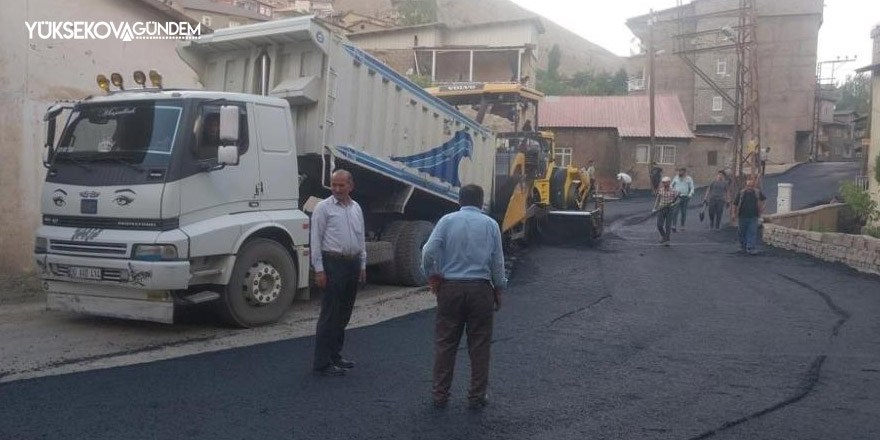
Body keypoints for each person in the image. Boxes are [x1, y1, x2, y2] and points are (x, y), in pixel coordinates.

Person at [422, 184, 506, 410]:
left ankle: (440, 395)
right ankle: (476, 396)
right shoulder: (491, 225)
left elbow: (428, 251)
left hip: (450, 288)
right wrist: (498, 289)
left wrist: (431, 275)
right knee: (479, 345)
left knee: (445, 343)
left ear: (460, 200)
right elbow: (497, 261)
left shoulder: (447, 221)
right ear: (481, 202)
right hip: (480, 289)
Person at [311, 169, 367, 377]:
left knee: (344, 313)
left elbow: (360, 237)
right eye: (334, 185)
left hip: (352, 264)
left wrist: (362, 264)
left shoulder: (356, 208)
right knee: (329, 314)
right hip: (333, 264)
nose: (336, 189)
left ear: (350, 186)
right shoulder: (323, 208)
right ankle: (321, 363)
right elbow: (316, 239)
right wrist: (319, 270)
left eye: (341, 185)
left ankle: (336, 355)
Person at [733, 178, 767, 255]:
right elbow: (735, 204)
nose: (750, 187)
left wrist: (762, 208)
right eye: (748, 185)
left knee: (752, 232)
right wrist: (733, 214)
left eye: (751, 186)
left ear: (754, 186)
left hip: (753, 216)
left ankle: (750, 247)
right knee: (742, 232)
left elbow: (764, 200)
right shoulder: (741, 193)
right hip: (742, 216)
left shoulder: (757, 193)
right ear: (745, 186)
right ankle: (742, 246)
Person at [653, 176, 679, 246]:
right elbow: (658, 199)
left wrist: (673, 204)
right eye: (663, 182)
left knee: (668, 225)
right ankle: (664, 236)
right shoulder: (661, 190)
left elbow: (677, 200)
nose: (664, 184)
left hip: (669, 209)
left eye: (665, 182)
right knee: (659, 225)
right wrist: (654, 208)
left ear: (669, 182)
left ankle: (667, 239)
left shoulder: (673, 191)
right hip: (661, 208)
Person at [671, 167, 694, 232]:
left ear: (684, 172)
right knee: (675, 211)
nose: (679, 172)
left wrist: (690, 194)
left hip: (685, 197)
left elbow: (692, 187)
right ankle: (674, 225)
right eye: (679, 171)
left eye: (681, 171)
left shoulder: (689, 179)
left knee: (683, 212)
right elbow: (671, 186)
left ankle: (682, 226)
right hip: (677, 197)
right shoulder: (676, 178)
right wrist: (674, 192)